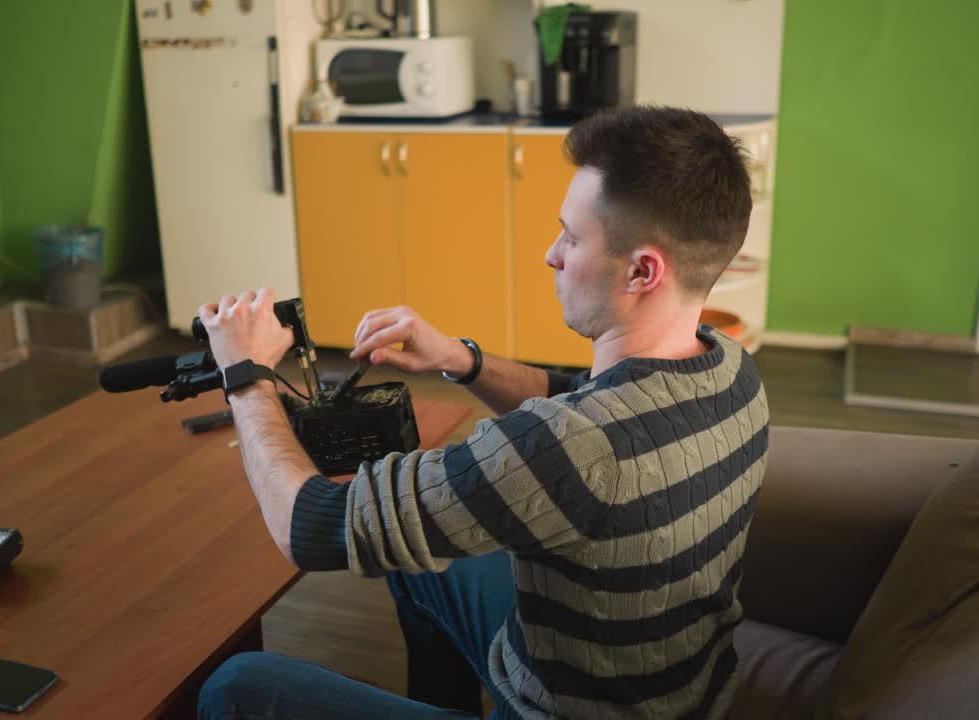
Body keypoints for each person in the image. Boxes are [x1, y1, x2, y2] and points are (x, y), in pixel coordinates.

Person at [195, 105, 768, 720]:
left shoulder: (572, 450)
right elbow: (577, 397)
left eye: (572, 238)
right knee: (418, 564)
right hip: (677, 690)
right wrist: (459, 359)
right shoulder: (728, 365)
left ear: (642, 270)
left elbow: (305, 526)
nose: (552, 254)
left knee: (236, 686)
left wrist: (246, 374)